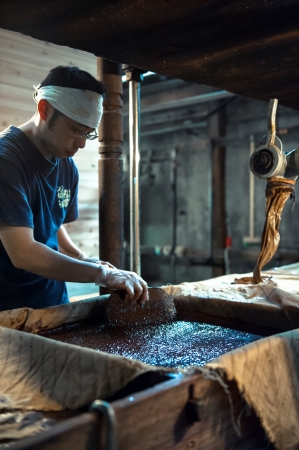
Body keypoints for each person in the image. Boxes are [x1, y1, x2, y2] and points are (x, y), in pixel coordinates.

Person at [0, 65, 148, 311]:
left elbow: (51, 225)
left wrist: (80, 257)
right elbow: (23, 252)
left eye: (88, 134)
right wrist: (99, 274)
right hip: (9, 311)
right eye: (76, 130)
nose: (81, 144)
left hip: (53, 302)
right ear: (45, 109)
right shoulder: (7, 160)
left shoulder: (66, 165)